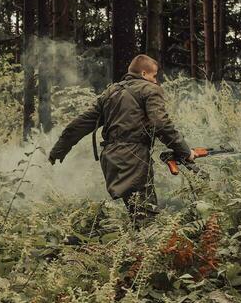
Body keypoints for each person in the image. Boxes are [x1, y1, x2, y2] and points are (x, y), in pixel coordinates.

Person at [47, 54, 194, 219]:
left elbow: (80, 123)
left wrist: (59, 150)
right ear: (144, 74)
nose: (156, 81)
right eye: (154, 76)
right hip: (133, 157)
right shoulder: (150, 89)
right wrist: (185, 151)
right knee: (145, 219)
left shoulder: (110, 93)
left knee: (137, 212)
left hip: (112, 159)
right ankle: (142, 243)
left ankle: (134, 241)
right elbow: (161, 124)